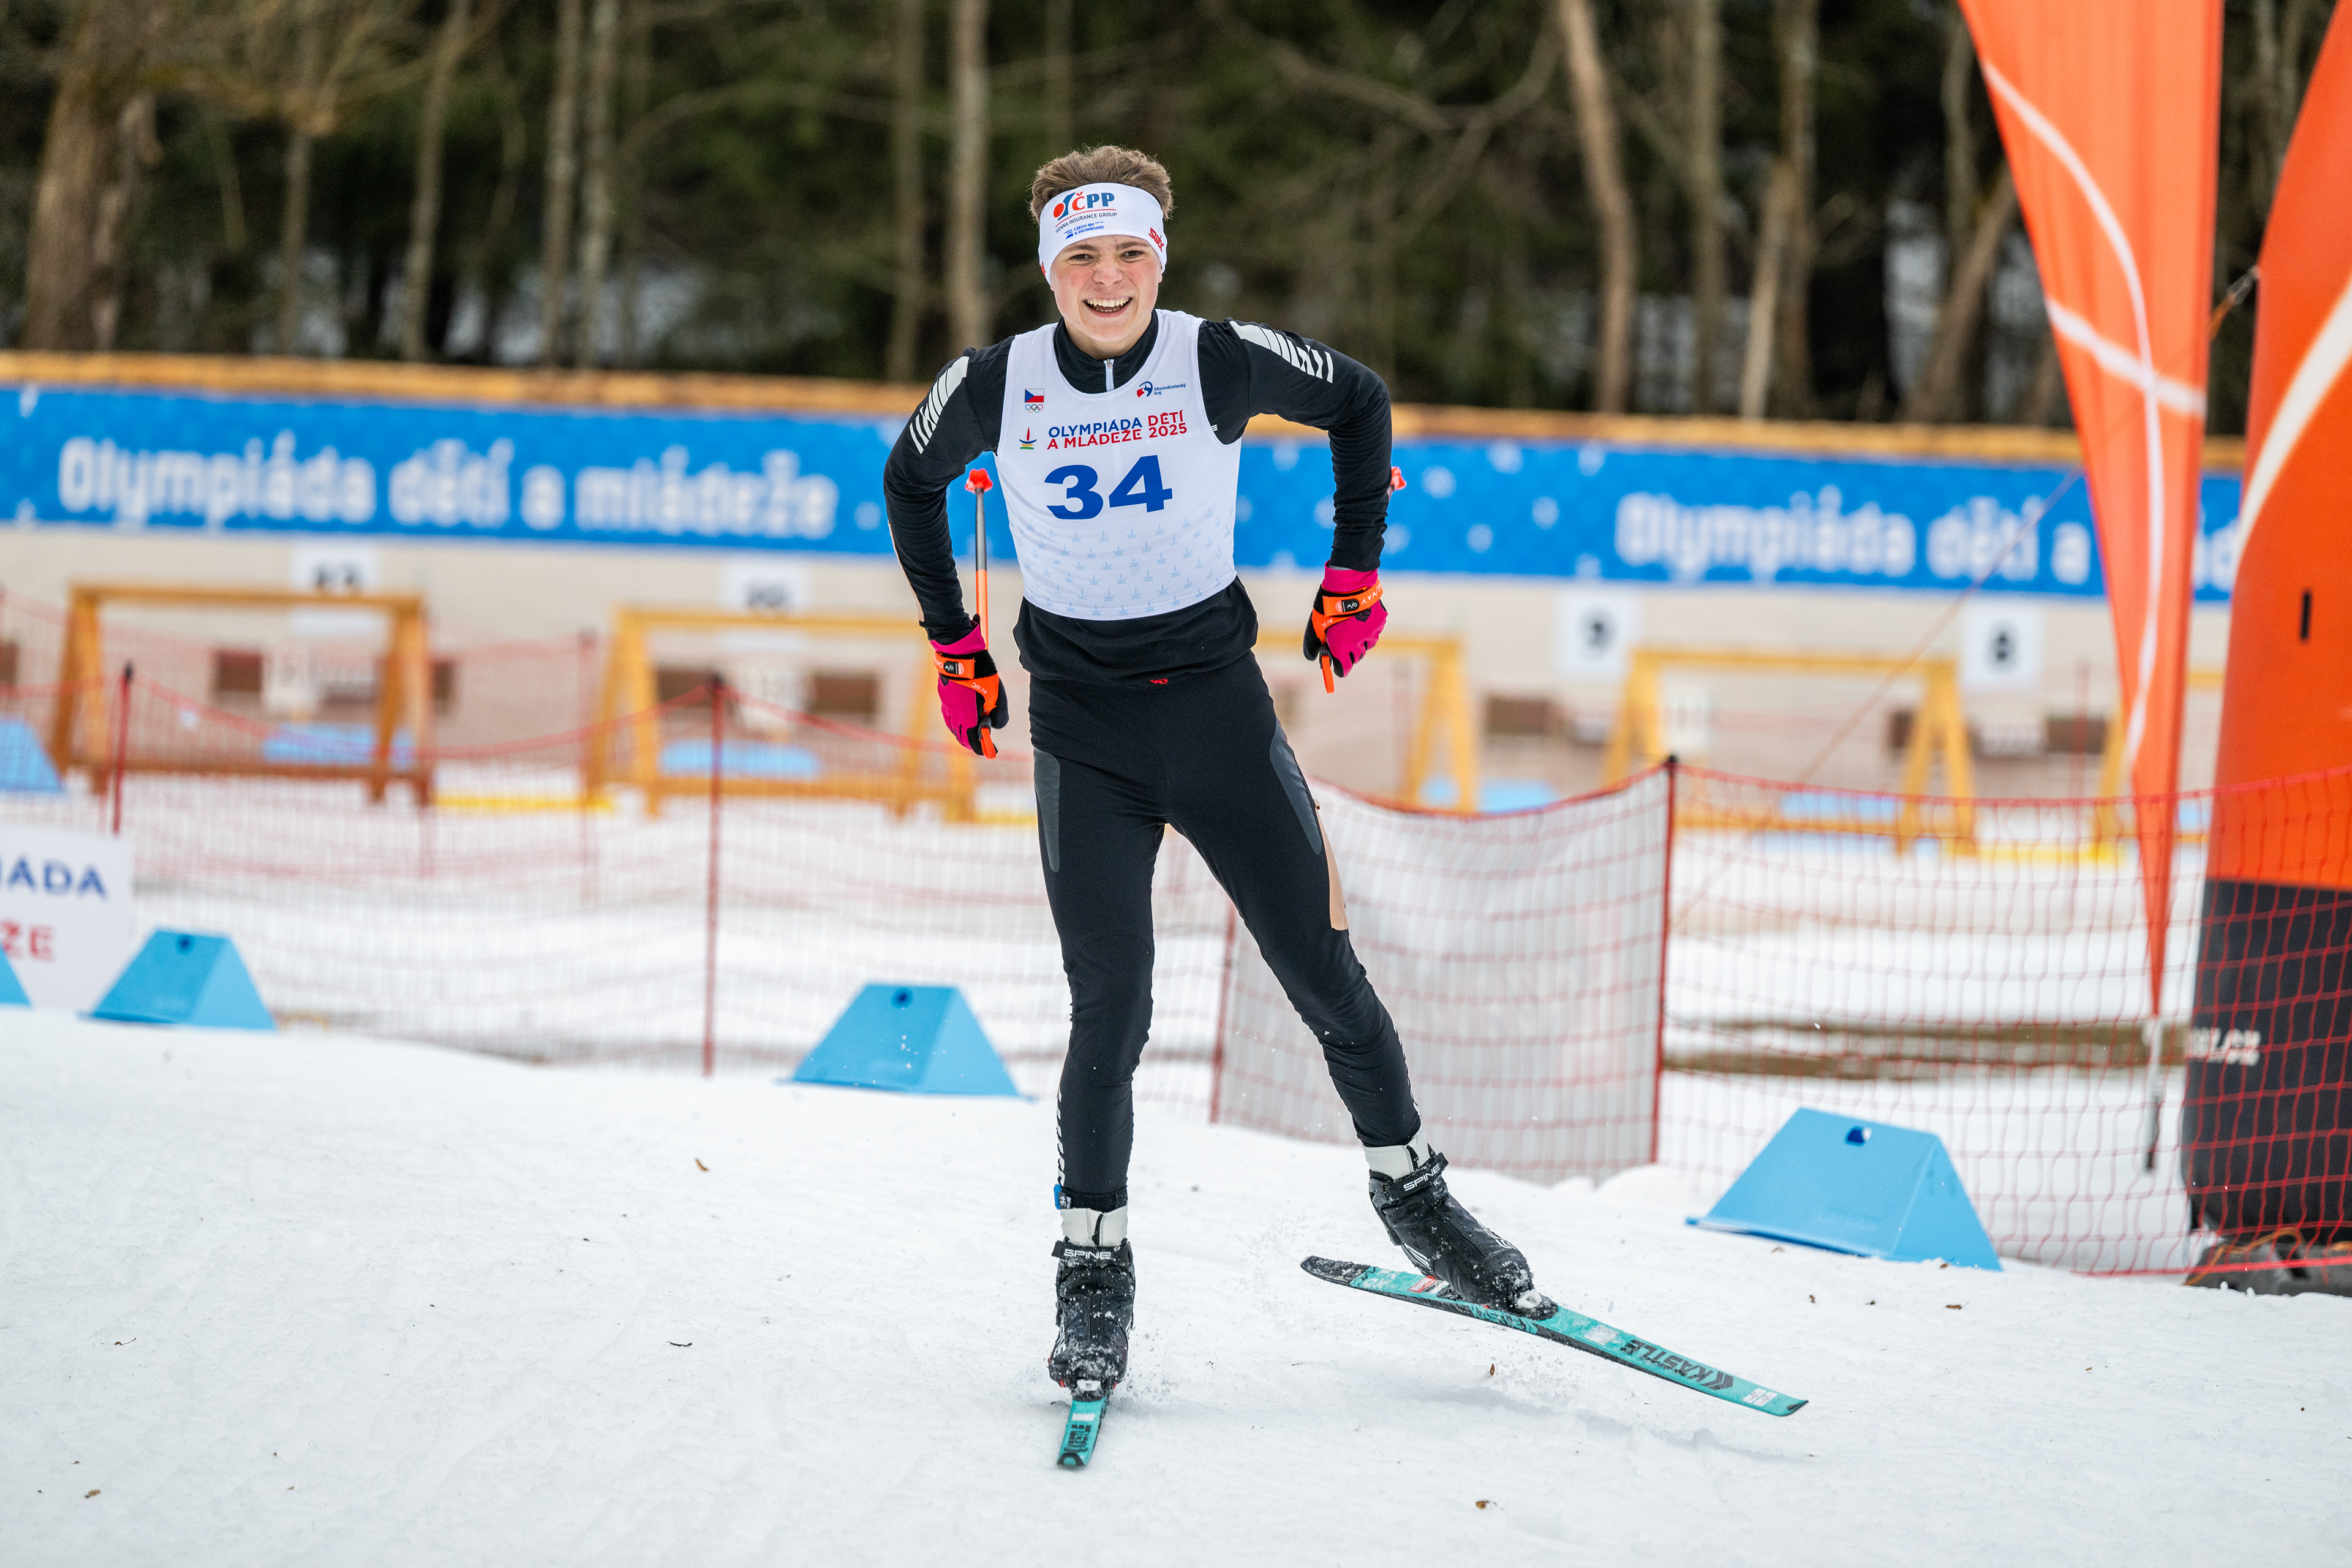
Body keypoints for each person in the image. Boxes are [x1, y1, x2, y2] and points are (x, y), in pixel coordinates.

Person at [882, 145, 1550, 1397]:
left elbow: (1359, 400)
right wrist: (955, 644)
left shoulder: (1212, 357)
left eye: (1129, 252)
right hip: (1085, 734)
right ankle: (1094, 1273)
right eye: (1082, 256)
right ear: (1049, 269)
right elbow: (910, 483)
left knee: (1326, 976)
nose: (1108, 276)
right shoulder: (995, 382)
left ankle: (1419, 1202)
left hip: (1220, 719)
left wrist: (1356, 570)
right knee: (1112, 1008)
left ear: (1159, 261)